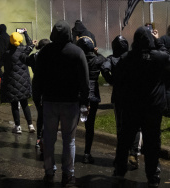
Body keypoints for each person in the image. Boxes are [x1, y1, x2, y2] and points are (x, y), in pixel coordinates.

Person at [33, 20, 89, 187]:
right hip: (71, 102)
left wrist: (37, 99)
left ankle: (49, 173)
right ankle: (68, 174)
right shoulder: (77, 52)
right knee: (69, 140)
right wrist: (85, 102)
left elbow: (37, 79)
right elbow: (85, 81)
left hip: (50, 101)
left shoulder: (45, 52)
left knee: (48, 138)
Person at [114, 26, 170, 187]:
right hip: (153, 107)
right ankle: (153, 176)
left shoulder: (127, 58)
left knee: (125, 140)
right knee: (153, 143)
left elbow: (119, 80)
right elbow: (167, 56)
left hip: (132, 106)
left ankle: (120, 171)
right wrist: (157, 41)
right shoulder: (159, 58)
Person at [101, 35, 142, 169]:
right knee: (135, 125)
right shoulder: (132, 57)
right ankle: (133, 152)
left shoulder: (112, 59)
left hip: (118, 96)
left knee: (121, 125)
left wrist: (112, 81)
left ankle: (122, 156)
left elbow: (104, 68)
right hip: (134, 95)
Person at [0, 30, 35, 134]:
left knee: (14, 104)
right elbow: (31, 44)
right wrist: (25, 33)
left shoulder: (6, 54)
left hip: (11, 83)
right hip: (24, 81)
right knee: (25, 103)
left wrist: (2, 76)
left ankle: (18, 127)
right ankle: (30, 125)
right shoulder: (24, 50)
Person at [76, 36, 107, 164]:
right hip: (92, 95)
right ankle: (87, 153)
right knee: (90, 126)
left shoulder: (77, 60)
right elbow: (104, 59)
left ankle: (69, 151)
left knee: (72, 124)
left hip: (78, 95)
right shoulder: (98, 60)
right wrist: (96, 53)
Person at [21, 38, 50, 148]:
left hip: (37, 86)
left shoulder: (34, 57)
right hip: (49, 87)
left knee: (41, 114)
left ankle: (39, 138)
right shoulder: (53, 56)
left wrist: (30, 47)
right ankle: (46, 137)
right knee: (49, 114)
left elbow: (22, 57)